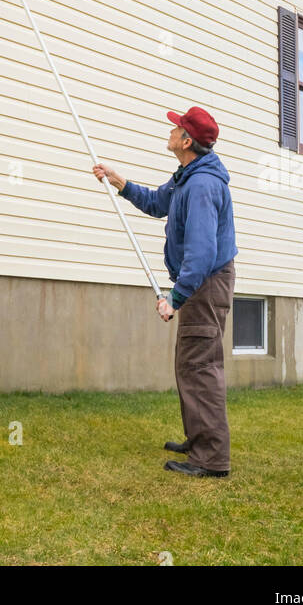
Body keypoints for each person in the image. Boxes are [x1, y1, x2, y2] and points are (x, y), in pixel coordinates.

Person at [92, 106, 238, 478]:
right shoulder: (188, 177)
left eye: (177, 128)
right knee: (190, 363)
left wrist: (175, 298)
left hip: (205, 284)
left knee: (200, 366)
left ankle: (211, 458)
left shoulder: (203, 185)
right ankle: (199, 438)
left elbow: (202, 252)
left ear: (187, 141)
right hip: (200, 284)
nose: (171, 130)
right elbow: (158, 203)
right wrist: (118, 182)